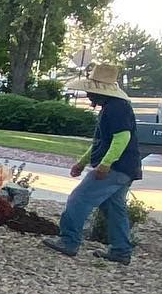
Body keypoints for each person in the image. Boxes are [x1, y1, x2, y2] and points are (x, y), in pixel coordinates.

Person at [41, 62, 142, 265]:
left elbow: (122, 138)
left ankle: (68, 241)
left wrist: (105, 164)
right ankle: (121, 250)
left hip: (115, 168)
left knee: (79, 199)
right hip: (127, 168)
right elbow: (101, 142)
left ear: (100, 92)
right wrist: (82, 162)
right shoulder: (112, 107)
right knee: (114, 208)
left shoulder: (116, 109)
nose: (88, 95)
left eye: (90, 91)